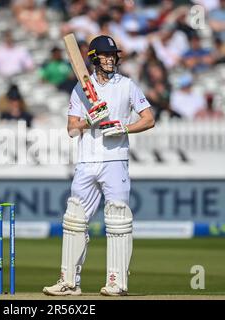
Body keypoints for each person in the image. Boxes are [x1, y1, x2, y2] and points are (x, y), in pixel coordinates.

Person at [43, 35, 155, 296]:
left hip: (115, 161)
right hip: (86, 161)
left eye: (113, 55)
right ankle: (69, 282)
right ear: (94, 59)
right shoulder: (81, 89)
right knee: (74, 220)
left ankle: (117, 282)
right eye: (105, 55)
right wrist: (88, 121)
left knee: (117, 219)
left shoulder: (127, 86)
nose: (110, 59)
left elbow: (149, 120)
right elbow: (71, 130)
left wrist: (123, 127)